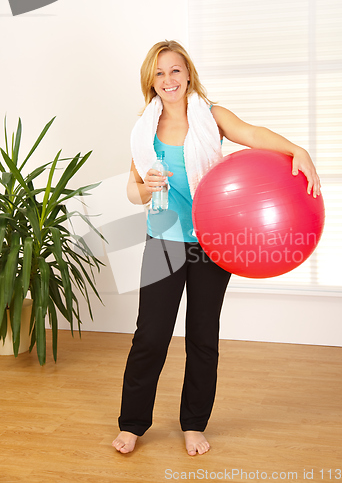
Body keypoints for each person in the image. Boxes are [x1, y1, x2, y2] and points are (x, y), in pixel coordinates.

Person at [112, 40, 321, 457]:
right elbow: (132, 193)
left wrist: (298, 149)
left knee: (203, 337)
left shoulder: (212, 116)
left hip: (213, 242)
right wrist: (144, 187)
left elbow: (254, 135)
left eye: (174, 71)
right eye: (158, 73)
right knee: (150, 336)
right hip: (166, 240)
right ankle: (133, 423)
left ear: (187, 74)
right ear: (149, 82)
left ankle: (193, 423)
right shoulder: (143, 130)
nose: (167, 80)